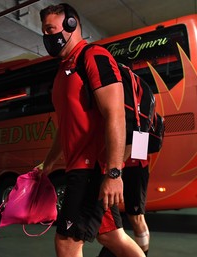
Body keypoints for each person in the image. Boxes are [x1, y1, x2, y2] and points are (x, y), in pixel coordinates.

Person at [37, 3, 145, 257]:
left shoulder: (94, 57)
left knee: (66, 241)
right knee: (111, 236)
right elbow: (65, 127)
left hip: (90, 170)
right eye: (44, 32)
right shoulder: (63, 74)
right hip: (80, 169)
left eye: (51, 30)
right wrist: (48, 164)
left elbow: (115, 115)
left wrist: (114, 173)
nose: (47, 38)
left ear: (71, 25)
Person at [98, 149, 151, 257]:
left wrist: (115, 167)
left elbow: (138, 140)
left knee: (136, 218)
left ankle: (143, 254)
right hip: (118, 168)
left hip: (133, 166)